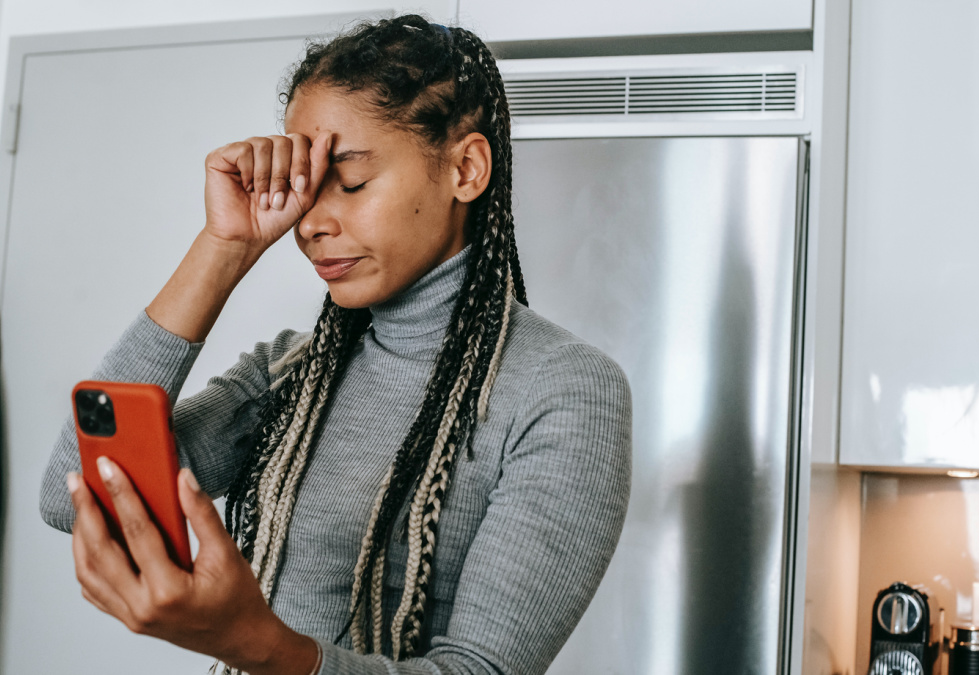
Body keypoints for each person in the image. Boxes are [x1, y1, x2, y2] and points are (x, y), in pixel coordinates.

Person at [38, 14, 632, 675]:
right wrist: (223, 247)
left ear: (465, 168)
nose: (313, 223)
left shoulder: (563, 391)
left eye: (349, 181)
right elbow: (72, 493)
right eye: (306, 188)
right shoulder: (291, 370)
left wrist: (254, 644)